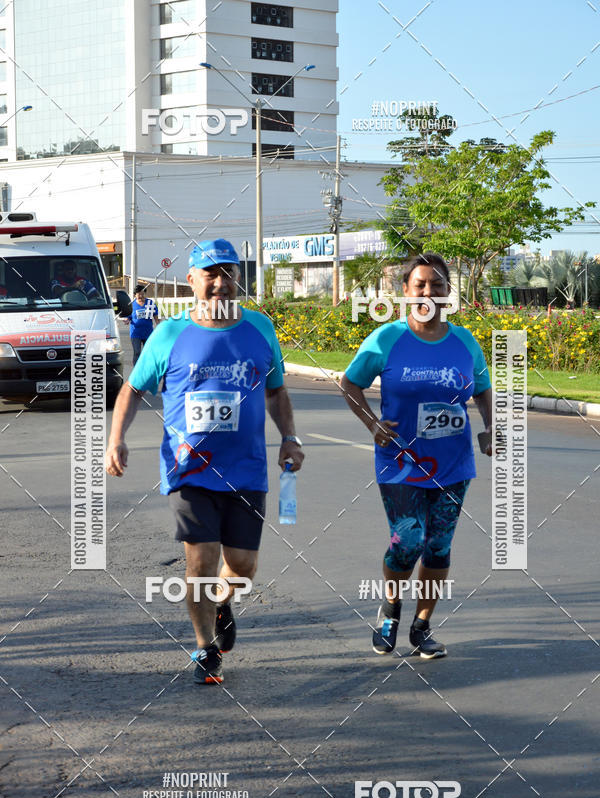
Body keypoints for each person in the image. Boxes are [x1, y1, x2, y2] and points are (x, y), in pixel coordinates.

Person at [104, 238, 304, 685]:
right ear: (191, 279)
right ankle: (204, 647)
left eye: (228, 272)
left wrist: (289, 438)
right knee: (201, 559)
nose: (220, 282)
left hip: (247, 468)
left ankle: (221, 600)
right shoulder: (170, 333)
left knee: (244, 566)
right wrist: (116, 439)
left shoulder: (259, 329)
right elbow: (132, 390)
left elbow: (275, 391)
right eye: (210, 273)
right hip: (187, 468)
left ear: (238, 278)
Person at [341, 253, 492, 660]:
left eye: (438, 285)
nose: (429, 291)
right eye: (420, 285)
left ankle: (422, 626)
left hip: (454, 463)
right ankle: (390, 608)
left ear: (448, 293)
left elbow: (482, 388)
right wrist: (372, 424)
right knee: (408, 541)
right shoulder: (386, 339)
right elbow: (350, 384)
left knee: (438, 547)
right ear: (405, 292)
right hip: (400, 461)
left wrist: (491, 426)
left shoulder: (464, 342)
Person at [127, 284, 158, 365]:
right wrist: (127, 320)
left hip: (147, 332)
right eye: (138, 294)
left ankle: (147, 370)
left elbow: (156, 316)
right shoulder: (132, 304)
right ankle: (136, 372)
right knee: (137, 352)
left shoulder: (150, 303)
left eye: (142, 293)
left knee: (148, 353)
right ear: (135, 295)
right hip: (135, 333)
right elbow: (128, 316)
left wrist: (159, 327)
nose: (140, 296)